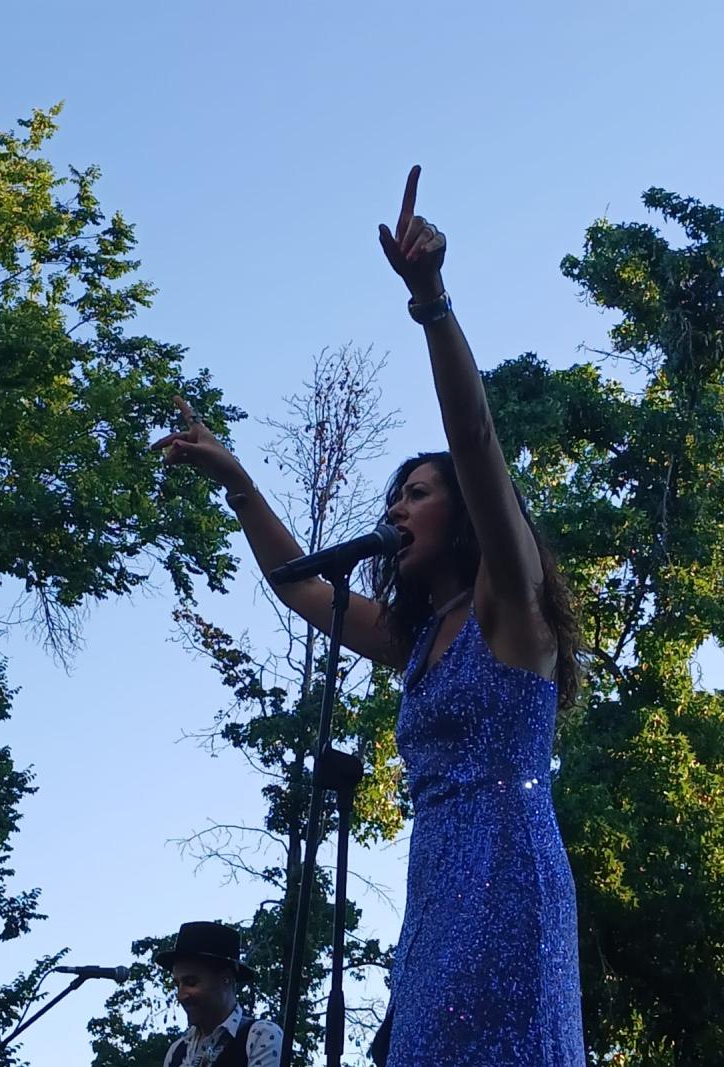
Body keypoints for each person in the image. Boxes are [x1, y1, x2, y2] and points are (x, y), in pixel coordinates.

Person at [152, 166, 586, 1065]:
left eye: (416, 495)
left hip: (508, 877)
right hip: (433, 891)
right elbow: (300, 587)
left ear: (465, 514)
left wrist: (431, 299)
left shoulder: (511, 609)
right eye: (393, 495)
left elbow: (477, 444)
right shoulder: (419, 637)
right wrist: (237, 481)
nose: (395, 508)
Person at [156, 921, 283, 1067]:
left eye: (191, 982)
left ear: (226, 979)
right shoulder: (176, 1052)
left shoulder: (260, 1036)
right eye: (177, 984)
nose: (181, 995)